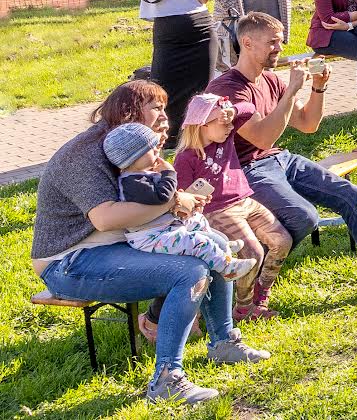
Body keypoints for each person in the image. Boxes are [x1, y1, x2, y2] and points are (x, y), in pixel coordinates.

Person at [31, 81, 267, 405]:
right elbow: (105, 218)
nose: (164, 117)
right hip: (69, 262)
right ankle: (167, 381)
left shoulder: (133, 145)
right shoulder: (85, 154)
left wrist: (176, 201)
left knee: (209, 246)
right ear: (129, 112)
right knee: (190, 271)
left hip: (111, 247)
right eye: (156, 108)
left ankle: (223, 342)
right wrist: (173, 202)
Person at [210, 11, 357, 290]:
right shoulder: (228, 88)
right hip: (244, 169)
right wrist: (290, 93)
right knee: (303, 216)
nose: (280, 48)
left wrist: (318, 90)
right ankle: (253, 271)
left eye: (281, 42)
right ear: (247, 43)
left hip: (279, 159)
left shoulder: (271, 80)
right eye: (273, 42)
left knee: (352, 195)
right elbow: (262, 139)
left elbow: (309, 125)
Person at [174, 93, 291, 322]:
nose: (229, 127)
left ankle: (261, 297)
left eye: (230, 122)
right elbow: (182, 198)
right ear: (201, 124)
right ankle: (243, 309)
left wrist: (232, 112)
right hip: (218, 211)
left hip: (245, 201)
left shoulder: (225, 138)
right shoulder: (185, 158)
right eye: (223, 122)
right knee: (253, 254)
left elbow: (249, 109)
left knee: (281, 241)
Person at [105, 121, 255, 281]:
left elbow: (162, 200)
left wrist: (185, 198)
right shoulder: (132, 183)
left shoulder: (142, 175)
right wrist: (169, 173)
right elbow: (163, 196)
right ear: (133, 158)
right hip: (151, 238)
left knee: (197, 220)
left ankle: (220, 246)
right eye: (150, 149)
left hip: (163, 227)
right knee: (197, 242)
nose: (157, 150)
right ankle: (227, 269)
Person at [126, 0, 215, 146]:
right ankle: (165, 139)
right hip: (169, 34)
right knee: (163, 90)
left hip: (201, 30)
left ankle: (197, 139)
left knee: (201, 90)